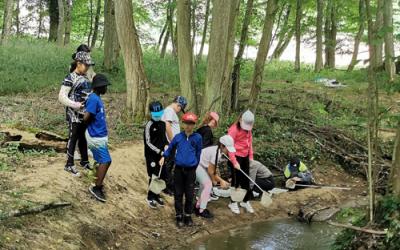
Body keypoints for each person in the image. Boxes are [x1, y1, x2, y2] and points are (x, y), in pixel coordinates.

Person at [160, 112, 202, 228]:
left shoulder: (198, 138)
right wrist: (164, 156)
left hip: (191, 171)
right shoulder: (178, 137)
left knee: (189, 194)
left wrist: (194, 165)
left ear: (194, 125)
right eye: (187, 123)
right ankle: (179, 216)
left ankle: (188, 216)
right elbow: (170, 148)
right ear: (183, 124)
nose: (189, 126)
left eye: (191, 123)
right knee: (178, 194)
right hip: (178, 170)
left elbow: (198, 153)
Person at [58, 51, 95, 177]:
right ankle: (69, 164)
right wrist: (75, 104)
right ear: (78, 64)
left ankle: (84, 161)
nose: (88, 67)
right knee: (73, 137)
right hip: (74, 113)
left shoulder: (86, 77)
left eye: (89, 65)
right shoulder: (70, 78)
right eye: (86, 65)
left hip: (85, 114)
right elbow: (62, 97)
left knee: (83, 137)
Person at [84, 74, 112, 202]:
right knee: (106, 161)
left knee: (102, 160)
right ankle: (96, 187)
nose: (106, 88)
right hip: (95, 136)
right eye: (105, 86)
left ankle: (96, 181)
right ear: (99, 87)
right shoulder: (93, 99)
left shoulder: (97, 98)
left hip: (100, 136)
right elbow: (86, 117)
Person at [194, 135, 235, 219]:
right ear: (222, 145)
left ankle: (198, 206)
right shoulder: (215, 153)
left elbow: (213, 170)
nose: (229, 151)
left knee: (204, 185)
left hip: (202, 166)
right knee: (208, 184)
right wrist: (219, 181)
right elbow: (210, 171)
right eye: (228, 148)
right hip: (197, 165)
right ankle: (202, 210)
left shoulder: (218, 151)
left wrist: (217, 180)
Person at [227, 110, 255, 214]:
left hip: (245, 156)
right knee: (236, 180)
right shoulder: (233, 130)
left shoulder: (248, 130)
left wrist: (251, 156)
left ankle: (245, 200)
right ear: (240, 120)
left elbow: (250, 143)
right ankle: (233, 202)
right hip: (235, 156)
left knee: (245, 179)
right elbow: (229, 147)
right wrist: (234, 162)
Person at [144, 101, 169, 208]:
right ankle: (150, 196)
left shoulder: (163, 124)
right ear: (151, 113)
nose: (158, 116)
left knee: (161, 174)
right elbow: (148, 142)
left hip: (162, 155)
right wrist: (159, 151)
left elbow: (164, 139)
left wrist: (167, 145)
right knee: (153, 175)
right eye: (156, 115)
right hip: (151, 156)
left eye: (160, 114)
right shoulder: (149, 126)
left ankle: (157, 194)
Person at [161, 96, 188, 195]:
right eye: (180, 108)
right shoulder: (169, 111)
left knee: (169, 164)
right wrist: (173, 141)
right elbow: (167, 126)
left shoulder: (170, 111)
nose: (179, 110)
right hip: (169, 143)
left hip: (171, 143)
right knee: (168, 165)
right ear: (178, 105)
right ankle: (166, 187)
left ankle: (169, 186)